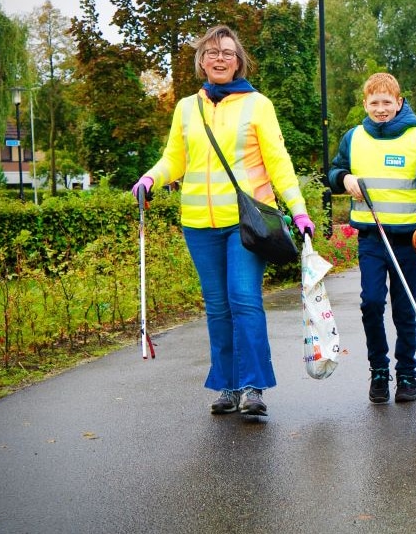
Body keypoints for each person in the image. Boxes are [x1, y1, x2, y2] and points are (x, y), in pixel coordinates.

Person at [131, 24, 314, 417]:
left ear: (238, 62)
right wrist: (150, 177)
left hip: (245, 223)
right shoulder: (186, 107)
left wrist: (298, 209)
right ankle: (227, 385)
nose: (219, 58)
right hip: (198, 223)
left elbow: (278, 162)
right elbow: (174, 160)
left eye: (227, 53)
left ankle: (253, 387)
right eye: (211, 52)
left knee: (244, 300)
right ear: (201, 61)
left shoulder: (257, 105)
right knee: (217, 307)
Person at [329, 73, 416, 404]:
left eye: (387, 102)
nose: (381, 109)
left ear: (399, 102)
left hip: (408, 240)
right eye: (374, 103)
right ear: (365, 104)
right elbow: (334, 173)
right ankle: (379, 370)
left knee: (404, 309)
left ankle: (406, 373)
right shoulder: (353, 139)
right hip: (371, 238)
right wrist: (345, 177)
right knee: (371, 303)